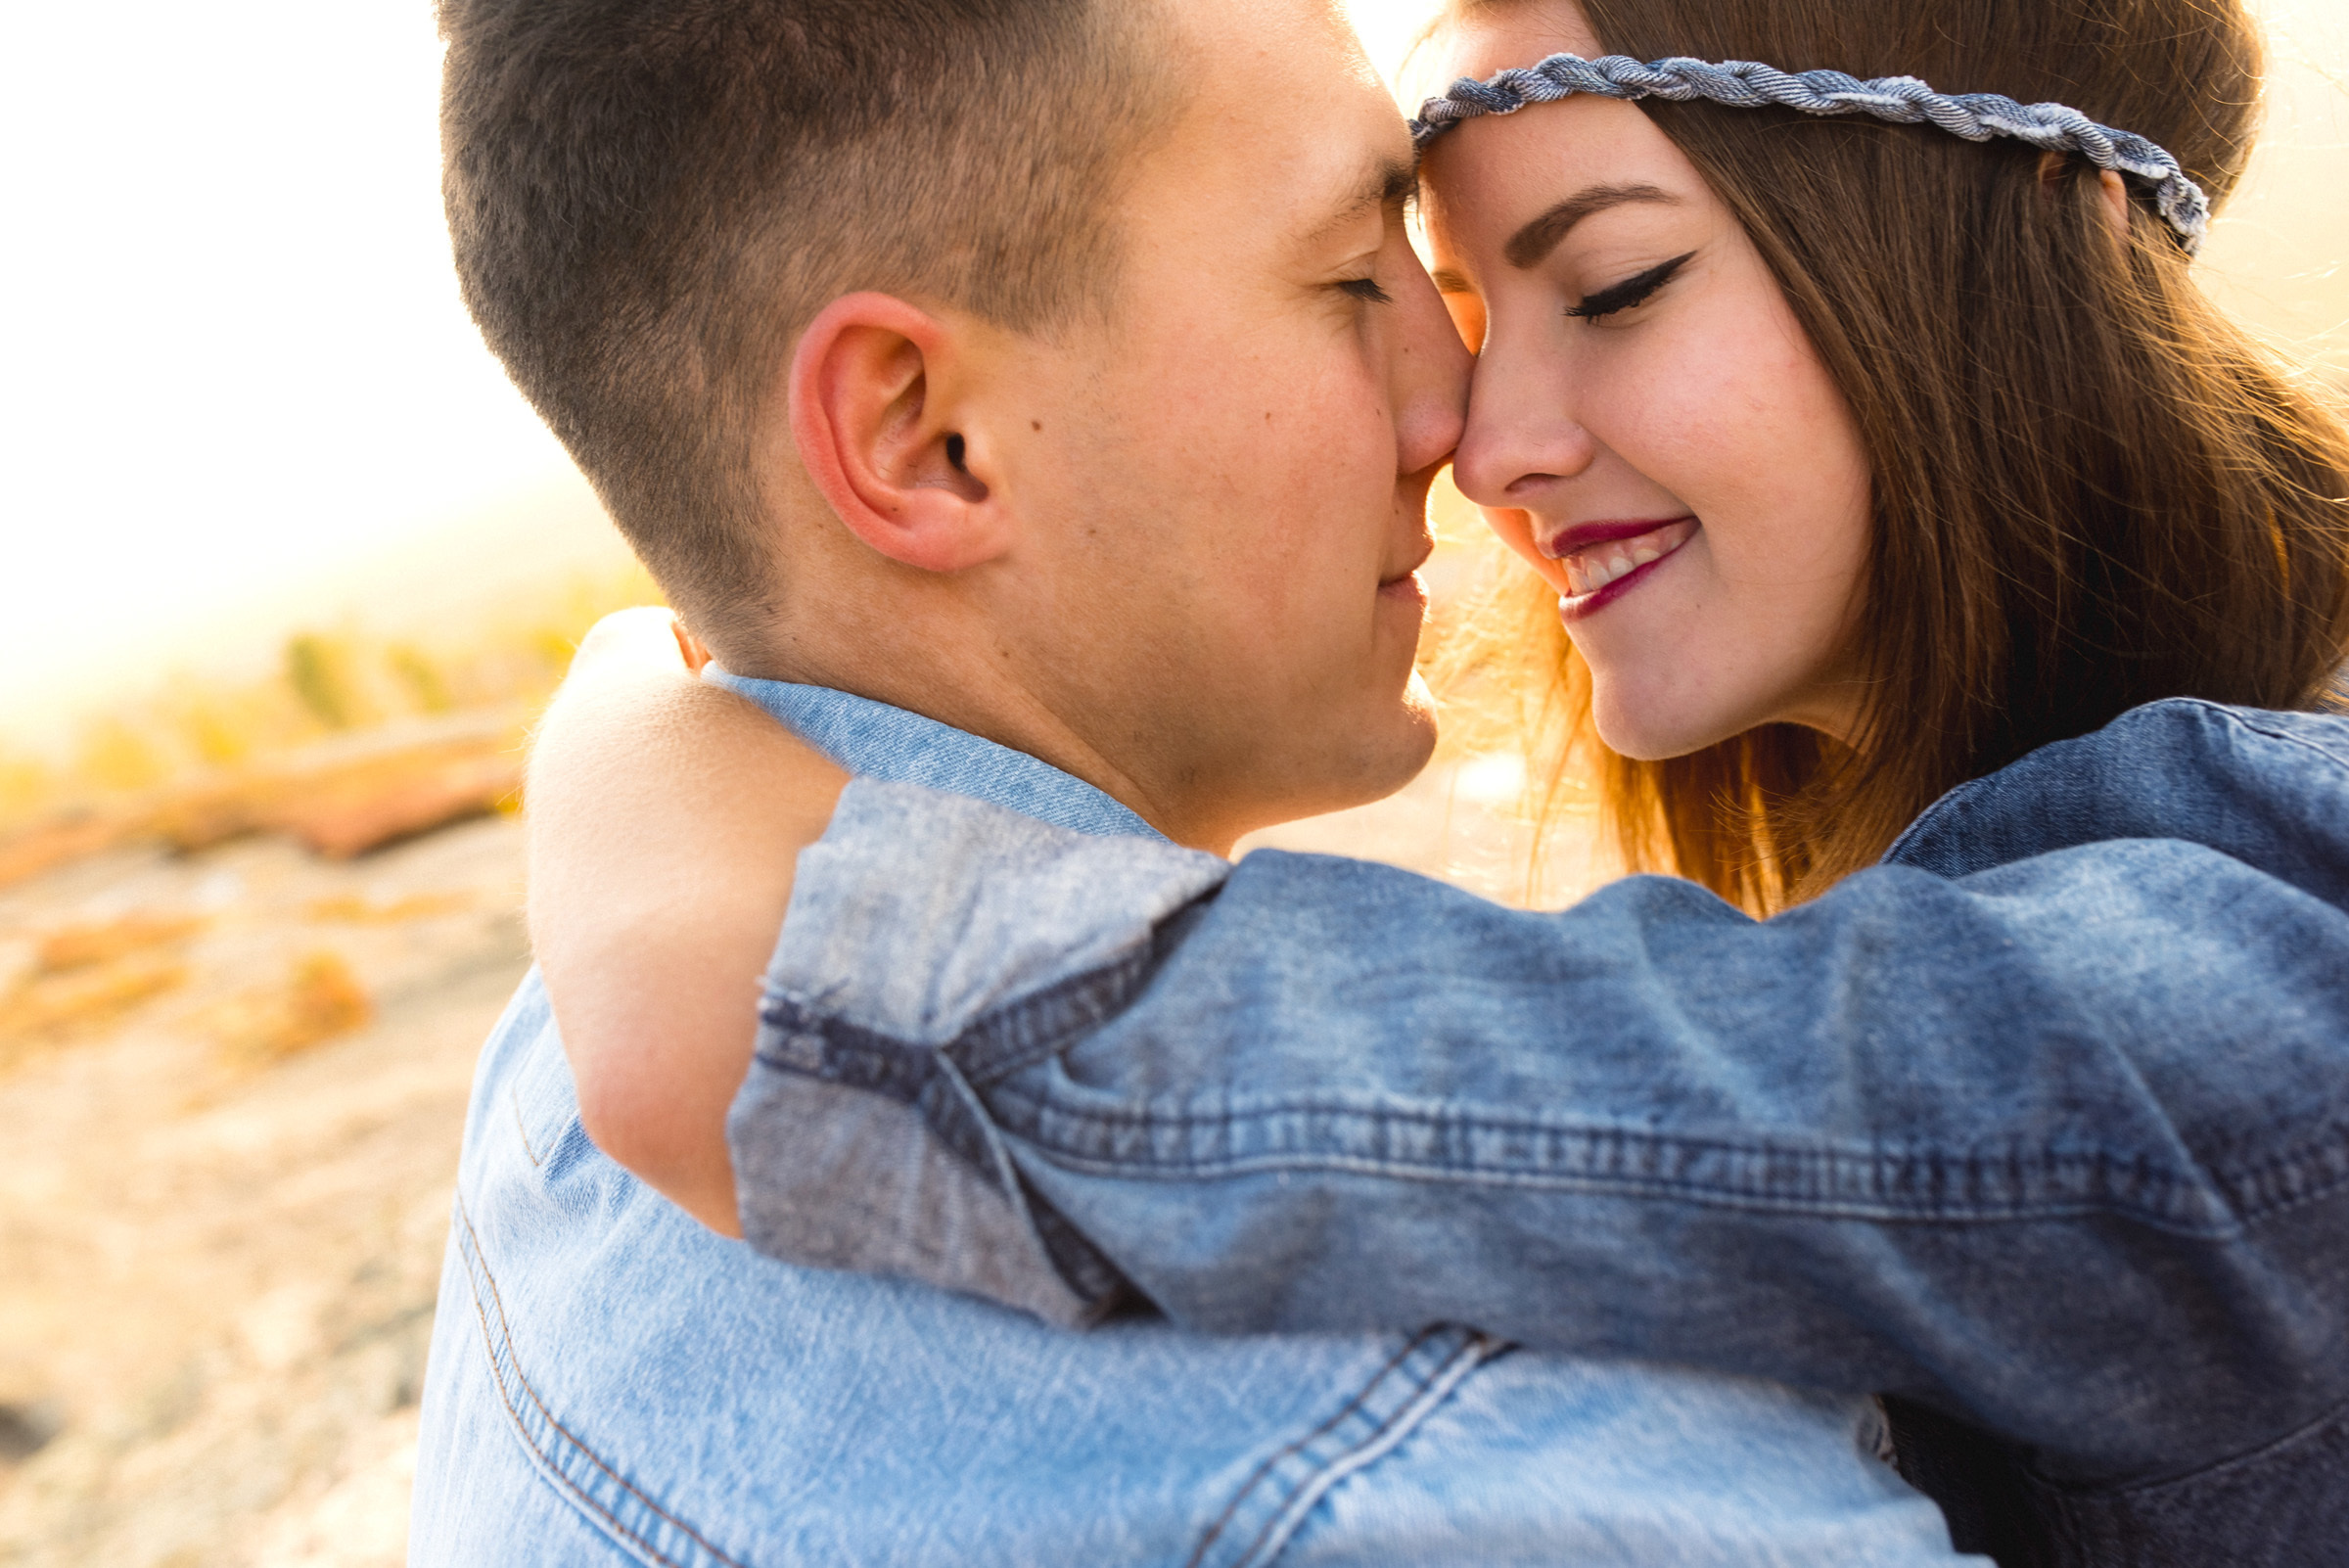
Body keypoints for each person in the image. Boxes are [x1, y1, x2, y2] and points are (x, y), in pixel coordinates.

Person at [528, 0, 2349, 1563]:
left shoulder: (2265, 948)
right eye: (1454, 303)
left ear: (2042, 243)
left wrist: (640, 745)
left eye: (1617, 285)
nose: (1485, 440)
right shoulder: (2021, 872)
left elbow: (952, 1046)